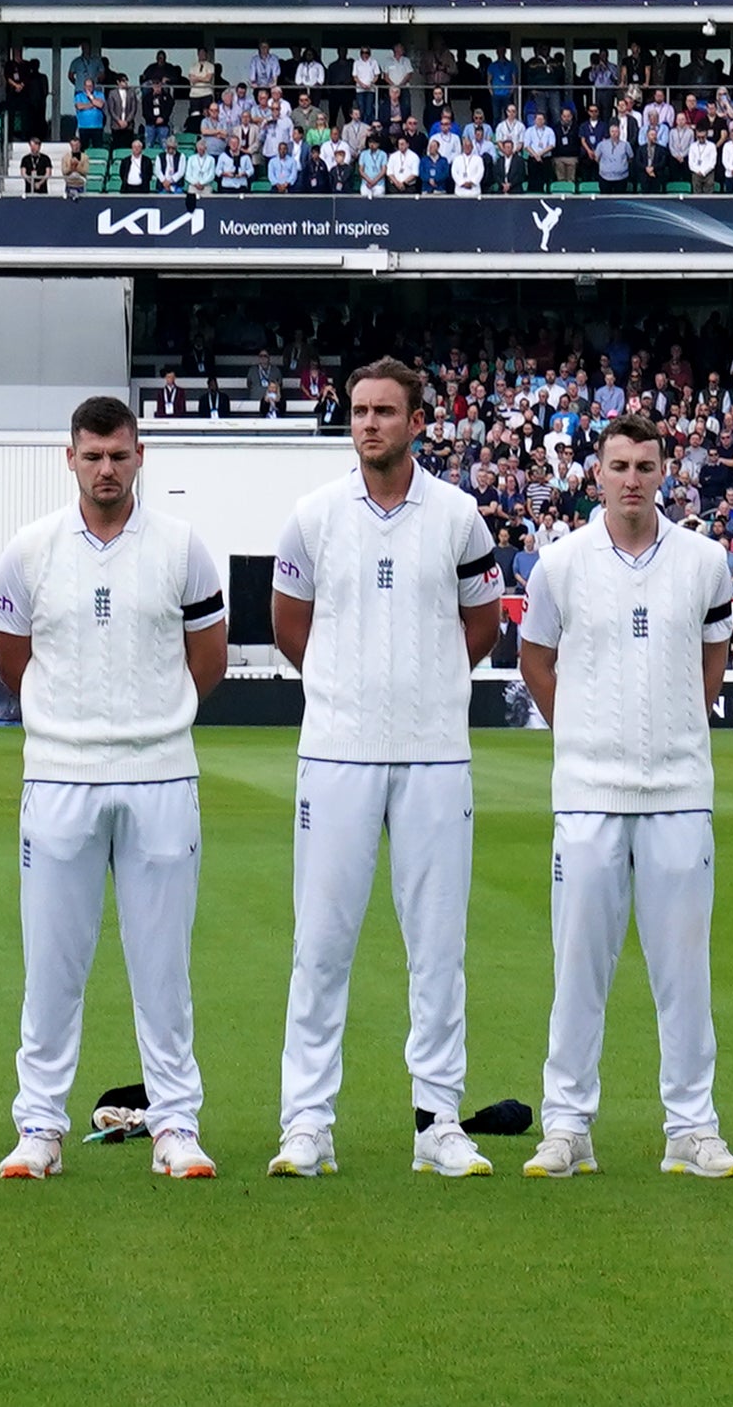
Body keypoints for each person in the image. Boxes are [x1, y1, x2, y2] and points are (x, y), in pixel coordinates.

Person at [266, 355, 506, 1176]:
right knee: (320, 943)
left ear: (415, 420)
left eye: (385, 411)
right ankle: (306, 1121)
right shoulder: (312, 515)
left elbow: (481, 626)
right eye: (359, 410)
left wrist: (427, 691)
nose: (369, 423)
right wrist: (348, 693)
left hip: (435, 755)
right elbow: (290, 626)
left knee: (436, 945)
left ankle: (436, 1120)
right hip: (335, 753)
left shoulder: (459, 515)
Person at [0, 394, 228, 1181]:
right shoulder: (29, 551)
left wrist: (152, 725)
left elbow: (208, 662)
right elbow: (15, 663)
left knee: (163, 965)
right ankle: (39, 1126)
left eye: (118, 454)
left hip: (160, 772)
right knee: (52, 961)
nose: (105, 469)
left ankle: (175, 1124)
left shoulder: (182, 547)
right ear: (69, 457)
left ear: (139, 454)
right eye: (91, 455)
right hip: (59, 777)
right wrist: (69, 731)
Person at [515, 415, 733, 1179]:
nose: (633, 478)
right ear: (597, 473)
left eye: (646, 464)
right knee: (578, 969)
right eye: (619, 465)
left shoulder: (706, 561)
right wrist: (579, 732)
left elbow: (713, 656)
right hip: (587, 794)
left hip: (679, 791)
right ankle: (567, 1126)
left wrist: (680, 726)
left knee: (684, 973)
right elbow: (535, 657)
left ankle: (691, 1128)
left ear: (665, 471)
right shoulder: (561, 563)